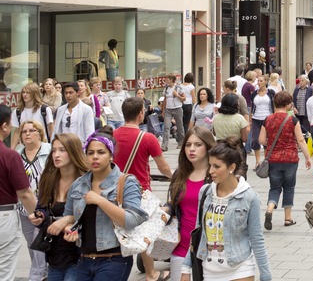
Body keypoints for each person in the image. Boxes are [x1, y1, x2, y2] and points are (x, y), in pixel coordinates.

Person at [180, 137, 272, 281]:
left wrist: (266, 276)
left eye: (217, 166)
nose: (211, 171)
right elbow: (198, 231)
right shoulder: (205, 192)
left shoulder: (249, 197)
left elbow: (257, 239)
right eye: (210, 165)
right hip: (208, 270)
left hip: (240, 268)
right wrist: (186, 267)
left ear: (232, 167)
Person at [63, 128, 148, 280]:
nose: (95, 157)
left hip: (113, 259)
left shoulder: (126, 182)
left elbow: (132, 220)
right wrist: (69, 228)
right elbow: (68, 216)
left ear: (111, 155)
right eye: (90, 153)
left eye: (101, 152)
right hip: (84, 259)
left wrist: (100, 200)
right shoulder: (78, 185)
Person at [113, 97, 173, 281]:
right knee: (144, 233)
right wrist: (176, 176)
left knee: (117, 231)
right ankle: (150, 273)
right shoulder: (147, 138)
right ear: (141, 114)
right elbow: (163, 167)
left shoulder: (112, 135)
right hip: (140, 192)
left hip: (115, 191)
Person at [30, 133, 88, 281]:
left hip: (78, 255)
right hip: (54, 255)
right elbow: (41, 207)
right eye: (54, 150)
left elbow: (91, 215)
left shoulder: (85, 181)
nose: (56, 155)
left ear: (73, 151)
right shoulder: (49, 179)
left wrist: (69, 222)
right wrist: (39, 216)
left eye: (62, 150)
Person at [167, 126, 216, 278]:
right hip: (182, 249)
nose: (191, 149)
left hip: (211, 250)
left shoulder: (215, 176)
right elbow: (174, 206)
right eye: (188, 145)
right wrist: (166, 208)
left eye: (198, 145)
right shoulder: (180, 174)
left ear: (208, 147)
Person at [259, 91, 311, 230]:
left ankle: (270, 208)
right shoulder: (293, 120)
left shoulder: (267, 119)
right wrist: (307, 157)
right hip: (290, 158)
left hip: (273, 159)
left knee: (275, 187)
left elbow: (261, 140)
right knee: (289, 187)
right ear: (288, 104)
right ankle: (288, 218)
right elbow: (300, 140)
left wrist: (271, 142)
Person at [0, 105, 37, 279]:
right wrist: (38, 215)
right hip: (4, 217)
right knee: (4, 271)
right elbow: (25, 193)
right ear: (5, 127)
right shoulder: (9, 155)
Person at [16, 120, 51, 281]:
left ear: (40, 133)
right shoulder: (17, 154)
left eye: (32, 130)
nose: (28, 134)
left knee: (47, 245)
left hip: (46, 207)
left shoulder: (49, 151)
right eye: (24, 131)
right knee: (33, 246)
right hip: (24, 210)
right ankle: (41, 273)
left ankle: (41, 275)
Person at [11, 82, 54, 149]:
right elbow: (17, 132)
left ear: (34, 94)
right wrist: (12, 150)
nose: (25, 95)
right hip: (24, 148)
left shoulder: (44, 109)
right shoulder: (17, 112)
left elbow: (51, 129)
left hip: (43, 147)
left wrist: (52, 146)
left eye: (28, 93)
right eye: (23, 92)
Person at [161, 75, 186, 151]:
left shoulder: (178, 88)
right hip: (168, 110)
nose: (166, 80)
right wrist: (163, 110)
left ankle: (181, 143)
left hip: (177, 108)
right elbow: (165, 99)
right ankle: (164, 145)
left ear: (171, 80)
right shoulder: (166, 88)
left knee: (179, 126)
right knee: (166, 127)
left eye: (167, 79)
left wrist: (177, 95)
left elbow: (184, 99)